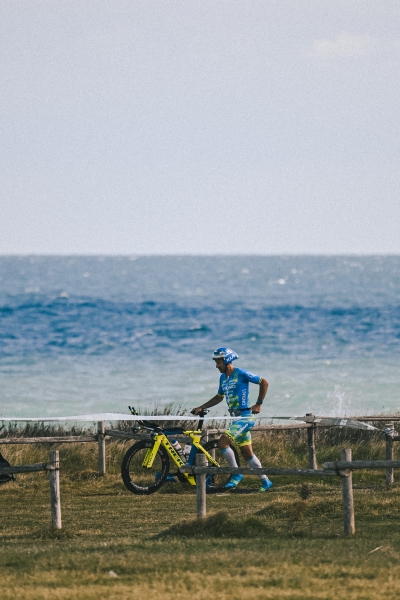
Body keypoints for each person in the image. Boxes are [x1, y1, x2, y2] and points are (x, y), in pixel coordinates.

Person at [191, 347, 273, 492]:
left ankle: (236, 473)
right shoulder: (223, 378)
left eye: (218, 362)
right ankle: (266, 482)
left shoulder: (240, 373)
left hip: (245, 417)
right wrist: (201, 407)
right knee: (247, 453)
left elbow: (264, 382)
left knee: (222, 443)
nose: (216, 366)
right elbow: (219, 397)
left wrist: (258, 403)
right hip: (235, 419)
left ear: (227, 360)